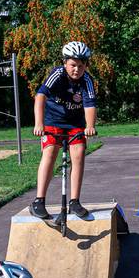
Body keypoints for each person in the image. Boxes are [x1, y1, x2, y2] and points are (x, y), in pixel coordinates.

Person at [30, 41, 98, 220]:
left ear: (86, 66)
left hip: (75, 123)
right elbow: (40, 96)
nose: (76, 69)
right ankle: (39, 201)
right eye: (73, 65)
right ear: (65, 63)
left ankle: (74, 201)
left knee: (79, 153)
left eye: (81, 66)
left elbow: (90, 105)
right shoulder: (57, 74)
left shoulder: (87, 80)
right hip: (53, 120)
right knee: (50, 152)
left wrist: (90, 126)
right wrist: (39, 124)